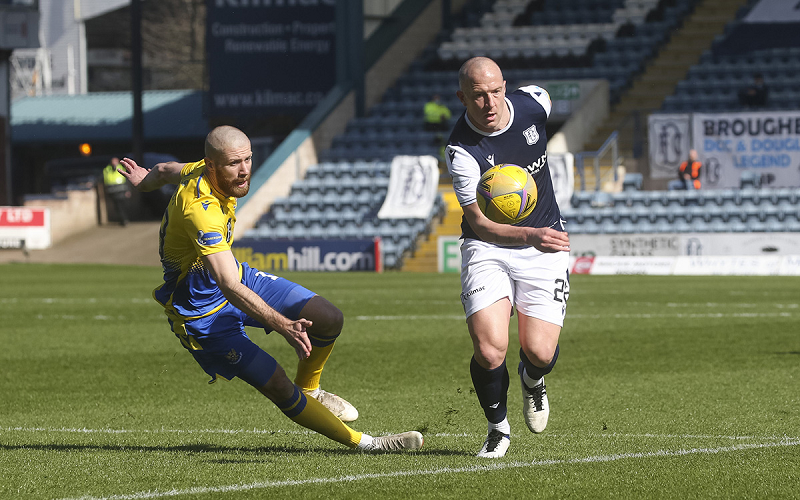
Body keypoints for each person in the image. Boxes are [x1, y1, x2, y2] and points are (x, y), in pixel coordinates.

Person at [117, 125, 423, 452]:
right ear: (212, 165)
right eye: (234, 163)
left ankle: (310, 389)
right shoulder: (200, 211)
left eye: (248, 159)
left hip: (237, 278)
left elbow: (165, 170)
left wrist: (143, 181)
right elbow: (227, 284)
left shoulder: (198, 169)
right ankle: (369, 444)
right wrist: (283, 325)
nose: (245, 169)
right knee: (277, 384)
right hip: (201, 314)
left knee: (329, 317)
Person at [445, 57, 571, 458]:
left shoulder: (535, 104)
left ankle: (532, 380)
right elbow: (480, 225)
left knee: (540, 353)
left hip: (544, 244)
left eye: (496, 91)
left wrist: (538, 236)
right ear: (462, 97)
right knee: (489, 349)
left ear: (506, 86)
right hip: (489, 249)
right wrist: (528, 233)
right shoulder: (461, 150)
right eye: (478, 96)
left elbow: (546, 101)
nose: (490, 102)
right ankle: (498, 428)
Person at [103, 157, 131, 226]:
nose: (114, 163)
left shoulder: (121, 168)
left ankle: (125, 219)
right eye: (113, 161)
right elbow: (102, 178)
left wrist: (128, 190)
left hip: (121, 190)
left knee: (123, 206)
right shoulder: (107, 169)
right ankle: (123, 220)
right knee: (118, 207)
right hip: (113, 192)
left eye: (115, 161)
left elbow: (126, 180)